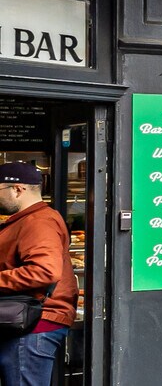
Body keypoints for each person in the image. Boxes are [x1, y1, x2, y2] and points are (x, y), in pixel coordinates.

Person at [0, 163, 77, 386]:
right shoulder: (30, 220)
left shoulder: (39, 222)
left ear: (17, 190)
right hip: (27, 323)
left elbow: (45, 270)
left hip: (34, 324)